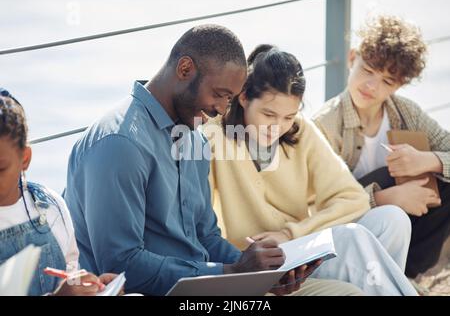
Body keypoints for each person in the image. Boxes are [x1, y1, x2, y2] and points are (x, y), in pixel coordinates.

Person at [64, 24, 363, 296]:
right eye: (219, 94)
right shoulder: (121, 143)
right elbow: (121, 265)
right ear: (184, 69)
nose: (222, 109)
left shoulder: (194, 138)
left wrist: (265, 273)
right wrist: (229, 273)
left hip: (211, 287)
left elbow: (206, 236)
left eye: (230, 99)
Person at [205, 44, 416, 295]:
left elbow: (354, 199)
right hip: (258, 262)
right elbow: (201, 227)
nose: (277, 127)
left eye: (287, 116)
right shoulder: (213, 137)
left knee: (393, 219)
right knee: (352, 238)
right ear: (243, 97)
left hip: (301, 253)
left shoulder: (300, 129)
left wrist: (289, 234)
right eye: (268, 114)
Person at [312, 15, 450, 279]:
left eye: (387, 81)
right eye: (368, 70)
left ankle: (407, 276)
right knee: (388, 176)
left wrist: (429, 160)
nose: (371, 86)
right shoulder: (323, 125)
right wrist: (386, 198)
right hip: (348, 234)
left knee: (444, 176)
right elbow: (316, 209)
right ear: (353, 59)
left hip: (402, 234)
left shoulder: (406, 113)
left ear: (400, 85)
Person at [0, 89, 117, 296]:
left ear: (25, 159)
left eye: (0, 169)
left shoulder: (50, 207)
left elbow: (69, 274)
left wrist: (94, 288)